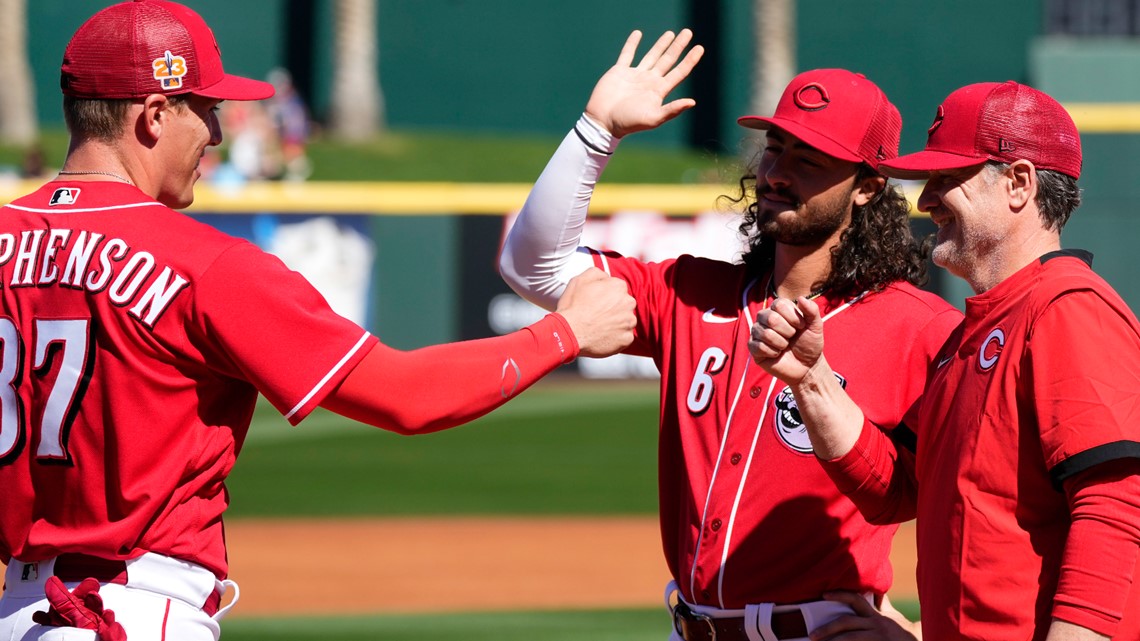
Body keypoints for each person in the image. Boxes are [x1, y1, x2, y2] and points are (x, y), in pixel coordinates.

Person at [0, 2, 636, 640]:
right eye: (208, 110)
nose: (217, 135)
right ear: (155, 114)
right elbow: (406, 396)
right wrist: (565, 333)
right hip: (131, 612)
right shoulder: (205, 265)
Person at [498, 29, 962, 641]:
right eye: (776, 148)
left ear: (869, 185)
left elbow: (977, 503)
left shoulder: (924, 329)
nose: (776, 173)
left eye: (809, 160)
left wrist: (934, 633)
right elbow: (532, 267)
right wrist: (596, 130)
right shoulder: (691, 293)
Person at [749, 81, 1140, 641]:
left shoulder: (1067, 307)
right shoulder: (969, 336)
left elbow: (1115, 501)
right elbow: (897, 490)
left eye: (946, 179)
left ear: (1019, 183)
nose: (926, 200)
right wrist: (812, 380)